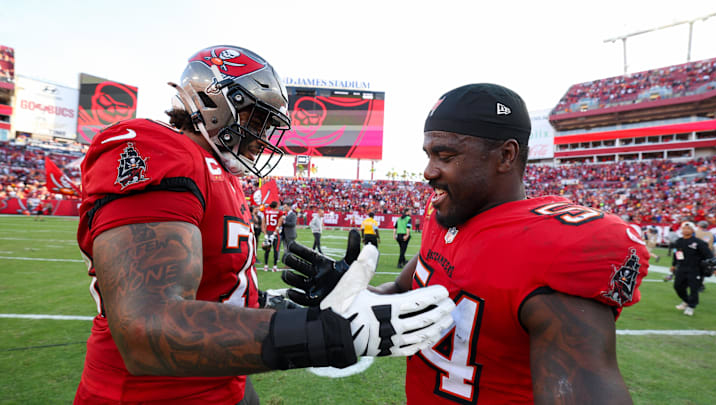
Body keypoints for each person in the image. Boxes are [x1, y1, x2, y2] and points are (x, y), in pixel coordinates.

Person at [73, 45, 455, 405]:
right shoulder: (156, 149)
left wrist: (304, 303)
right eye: (257, 118)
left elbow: (219, 295)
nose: (263, 137)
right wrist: (323, 332)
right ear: (213, 102)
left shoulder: (221, 173)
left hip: (224, 384)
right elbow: (147, 328)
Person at [281, 83, 650, 404]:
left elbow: (584, 387)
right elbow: (403, 290)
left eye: (446, 155)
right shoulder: (447, 213)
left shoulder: (550, 248)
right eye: (428, 154)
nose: (428, 171)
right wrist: (354, 294)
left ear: (506, 156)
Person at [670, 221, 714, 315]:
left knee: (694, 289)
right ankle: (686, 301)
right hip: (681, 268)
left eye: (688, 228)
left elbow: (709, 256)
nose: (686, 230)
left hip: (695, 269)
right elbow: (677, 254)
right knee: (678, 286)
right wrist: (674, 265)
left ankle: (691, 307)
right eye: (684, 228)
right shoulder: (679, 242)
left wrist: (712, 268)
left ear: (693, 230)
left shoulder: (699, 242)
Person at [261, 201, 282, 271]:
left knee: (267, 250)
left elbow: (263, 224)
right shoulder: (279, 212)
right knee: (276, 250)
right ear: (276, 205)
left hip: (268, 232)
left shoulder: (266, 211)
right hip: (275, 233)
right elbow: (279, 223)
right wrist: (274, 234)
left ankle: (266, 266)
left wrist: (265, 234)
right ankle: (274, 267)